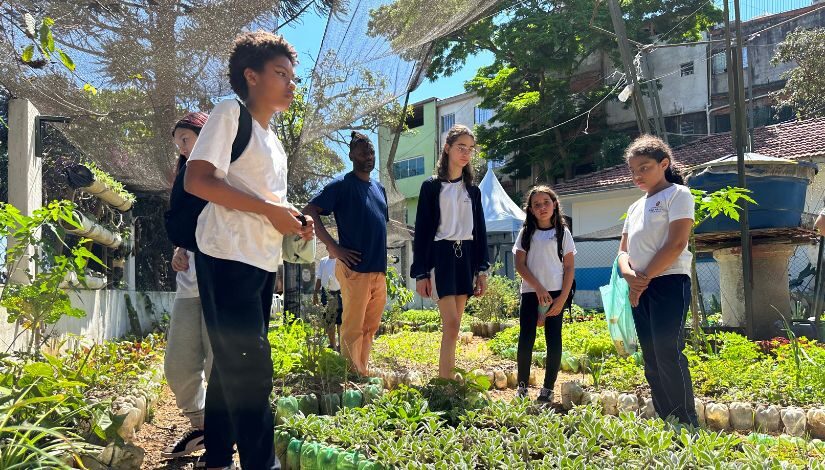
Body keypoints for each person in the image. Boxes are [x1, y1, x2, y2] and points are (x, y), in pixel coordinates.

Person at [184, 31, 313, 470]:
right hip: (225, 255)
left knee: (230, 360)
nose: (291, 83)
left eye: (293, 76)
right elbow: (197, 180)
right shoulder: (229, 112)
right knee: (252, 367)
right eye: (281, 74)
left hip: (259, 261)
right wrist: (270, 212)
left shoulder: (272, 140)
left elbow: (263, 200)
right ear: (251, 76)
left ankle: (217, 456)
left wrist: (291, 217)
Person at [618, 135, 699, 427]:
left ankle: (686, 421)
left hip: (669, 282)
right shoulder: (636, 206)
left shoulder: (678, 194)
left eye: (645, 167)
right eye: (633, 170)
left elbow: (677, 243)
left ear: (664, 164)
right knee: (651, 356)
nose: (638, 175)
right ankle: (667, 419)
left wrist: (644, 278)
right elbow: (623, 251)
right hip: (639, 287)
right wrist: (629, 276)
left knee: (667, 350)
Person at [303, 132, 389, 377]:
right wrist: (333, 247)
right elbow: (310, 210)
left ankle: (362, 370)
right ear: (351, 155)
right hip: (355, 269)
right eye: (362, 152)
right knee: (352, 327)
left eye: (371, 152)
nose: (368, 157)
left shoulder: (379, 188)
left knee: (370, 327)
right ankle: (351, 375)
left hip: (378, 270)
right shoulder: (342, 184)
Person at [410, 124, 489, 379]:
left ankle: (448, 376)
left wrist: (482, 270)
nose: (466, 153)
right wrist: (421, 272)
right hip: (441, 257)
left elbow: (480, 233)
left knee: (454, 327)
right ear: (447, 149)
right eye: (460, 147)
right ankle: (446, 380)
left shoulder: (473, 191)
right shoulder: (431, 187)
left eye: (470, 149)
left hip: (465, 257)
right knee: (452, 324)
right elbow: (421, 231)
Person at [162, 112, 219, 467]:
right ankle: (202, 426)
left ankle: (221, 438)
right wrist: (177, 250)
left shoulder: (224, 172)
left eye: (187, 138)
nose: (182, 148)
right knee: (178, 365)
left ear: (206, 134)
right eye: (179, 143)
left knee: (219, 364)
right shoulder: (182, 177)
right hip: (188, 286)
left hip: (220, 279)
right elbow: (184, 227)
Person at [512, 186, 575, 402]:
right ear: (530, 209)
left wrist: (562, 299)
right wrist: (538, 287)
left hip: (557, 294)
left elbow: (569, 268)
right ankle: (522, 386)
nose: (542, 207)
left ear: (555, 204)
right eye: (536, 204)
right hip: (531, 292)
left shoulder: (562, 233)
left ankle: (548, 388)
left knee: (553, 340)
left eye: (546, 202)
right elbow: (519, 264)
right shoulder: (526, 233)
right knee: (526, 339)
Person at [313, 254, 343, 350]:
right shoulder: (323, 261)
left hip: (340, 294)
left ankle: (341, 346)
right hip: (326, 294)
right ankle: (332, 345)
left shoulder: (341, 260)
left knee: (340, 322)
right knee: (329, 321)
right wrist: (315, 293)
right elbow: (319, 277)